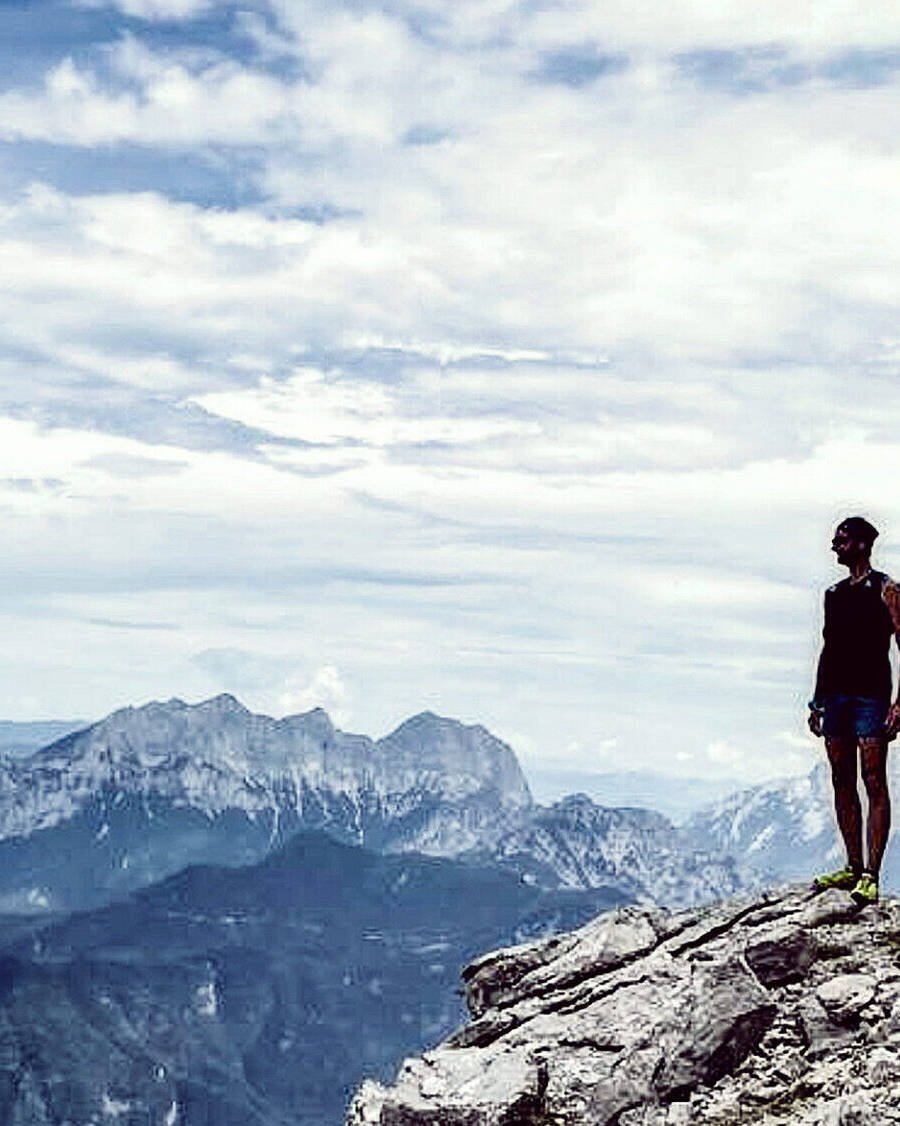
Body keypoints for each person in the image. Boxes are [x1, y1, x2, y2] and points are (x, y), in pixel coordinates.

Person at [809, 516, 900, 904]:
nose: (835, 546)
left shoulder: (888, 590)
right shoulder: (833, 593)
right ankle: (852, 865)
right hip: (837, 698)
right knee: (842, 781)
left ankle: (871, 875)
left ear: (862, 544)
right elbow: (827, 649)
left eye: (842, 540)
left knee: (873, 780)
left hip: (872, 698)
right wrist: (816, 701)